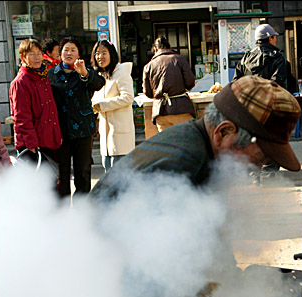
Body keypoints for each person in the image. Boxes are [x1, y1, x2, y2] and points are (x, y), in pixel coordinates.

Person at [90, 75, 301, 200]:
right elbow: (163, 261)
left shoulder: (200, 147)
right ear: (224, 132)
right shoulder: (184, 163)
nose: (255, 169)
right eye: (258, 158)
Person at [48, 36, 105, 199]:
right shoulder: (51, 74)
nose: (69, 53)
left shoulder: (84, 70)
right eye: (66, 49)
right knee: (62, 174)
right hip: (60, 133)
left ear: (78, 54)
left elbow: (99, 84)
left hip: (83, 131)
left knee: (83, 172)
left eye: (73, 50)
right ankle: (63, 212)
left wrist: (85, 73)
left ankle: (82, 211)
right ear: (60, 53)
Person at [233, 23, 287, 178]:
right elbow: (278, 84)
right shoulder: (277, 58)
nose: (275, 39)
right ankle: (268, 175)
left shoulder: (245, 58)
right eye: (274, 37)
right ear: (269, 38)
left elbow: (236, 83)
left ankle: (252, 173)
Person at [9, 38, 62, 167]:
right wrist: (31, 143)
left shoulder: (43, 77)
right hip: (33, 145)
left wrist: (57, 134)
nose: (37, 57)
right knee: (38, 184)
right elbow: (21, 117)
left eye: (38, 53)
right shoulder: (20, 82)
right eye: (32, 54)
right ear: (23, 57)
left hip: (49, 139)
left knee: (53, 182)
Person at [90, 40, 135, 173]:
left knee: (121, 178)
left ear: (112, 54)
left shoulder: (121, 72)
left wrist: (102, 105)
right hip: (105, 138)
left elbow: (128, 97)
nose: (100, 57)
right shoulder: (99, 76)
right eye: (97, 54)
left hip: (120, 136)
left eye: (104, 53)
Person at [142, 36, 195, 133]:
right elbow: (190, 83)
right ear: (169, 48)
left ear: (156, 50)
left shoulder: (148, 66)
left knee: (168, 145)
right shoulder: (180, 60)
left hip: (161, 112)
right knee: (185, 144)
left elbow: (147, 92)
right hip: (182, 109)